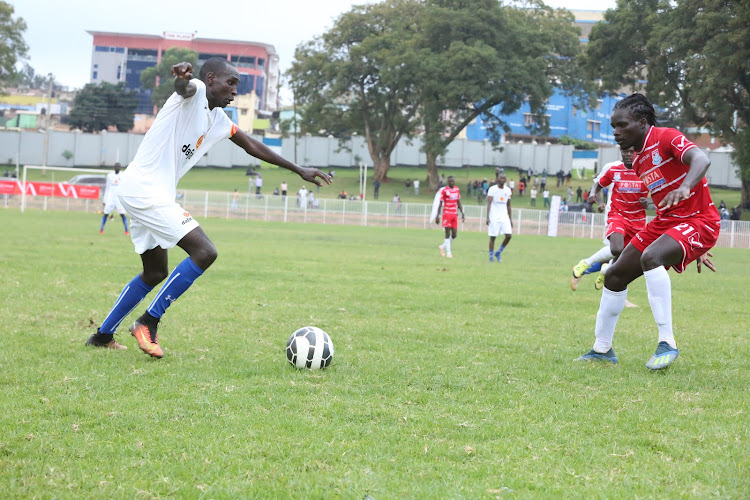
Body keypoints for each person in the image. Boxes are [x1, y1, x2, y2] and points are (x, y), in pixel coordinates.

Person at [85, 58, 330, 356]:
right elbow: (184, 88)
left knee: (154, 272)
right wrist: (181, 78)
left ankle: (102, 336)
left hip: (144, 192)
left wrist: (297, 168)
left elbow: (251, 144)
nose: (235, 91)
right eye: (231, 82)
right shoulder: (197, 91)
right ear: (211, 79)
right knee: (205, 252)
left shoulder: (218, 120)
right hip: (145, 191)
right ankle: (148, 321)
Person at [576, 93, 719, 370]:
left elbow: (701, 159)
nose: (616, 132)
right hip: (667, 222)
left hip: (699, 220)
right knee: (615, 275)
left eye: (622, 125)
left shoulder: (667, 137)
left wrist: (686, 186)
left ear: (642, 123)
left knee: (651, 257)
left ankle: (667, 342)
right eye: (613, 127)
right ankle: (602, 349)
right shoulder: (638, 159)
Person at [571, 147, 649, 295]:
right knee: (616, 249)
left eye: (631, 151)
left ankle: (606, 270)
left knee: (627, 255)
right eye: (625, 151)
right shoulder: (612, 168)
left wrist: (648, 202)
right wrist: (595, 197)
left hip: (637, 220)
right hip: (616, 215)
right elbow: (598, 185)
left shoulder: (646, 171)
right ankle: (587, 265)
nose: (627, 154)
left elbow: (657, 195)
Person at [436, 176, 465, 258]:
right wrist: (438, 215)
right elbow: (440, 203)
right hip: (447, 214)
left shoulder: (457, 189)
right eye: (450, 181)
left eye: (453, 181)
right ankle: (448, 253)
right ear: (448, 182)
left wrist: (462, 213)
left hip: (454, 214)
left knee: (454, 234)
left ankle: (443, 246)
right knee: (447, 233)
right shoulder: (444, 191)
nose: (452, 183)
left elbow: (458, 202)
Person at [485, 173, 512, 262]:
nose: (503, 180)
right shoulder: (492, 189)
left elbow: (508, 205)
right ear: (498, 179)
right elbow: (489, 203)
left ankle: (498, 252)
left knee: (508, 235)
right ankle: (491, 257)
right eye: (501, 178)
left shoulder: (508, 190)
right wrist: (488, 217)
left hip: (504, 216)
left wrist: (510, 219)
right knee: (493, 237)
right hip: (494, 217)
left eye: (504, 178)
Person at [99, 162, 129, 235]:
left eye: (118, 166)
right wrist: (104, 200)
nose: (117, 168)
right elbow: (107, 188)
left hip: (118, 197)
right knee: (106, 213)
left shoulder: (122, 175)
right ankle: (101, 229)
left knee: (122, 214)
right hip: (111, 197)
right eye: (116, 166)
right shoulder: (110, 175)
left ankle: (126, 230)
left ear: (120, 167)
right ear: (114, 167)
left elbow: (125, 187)